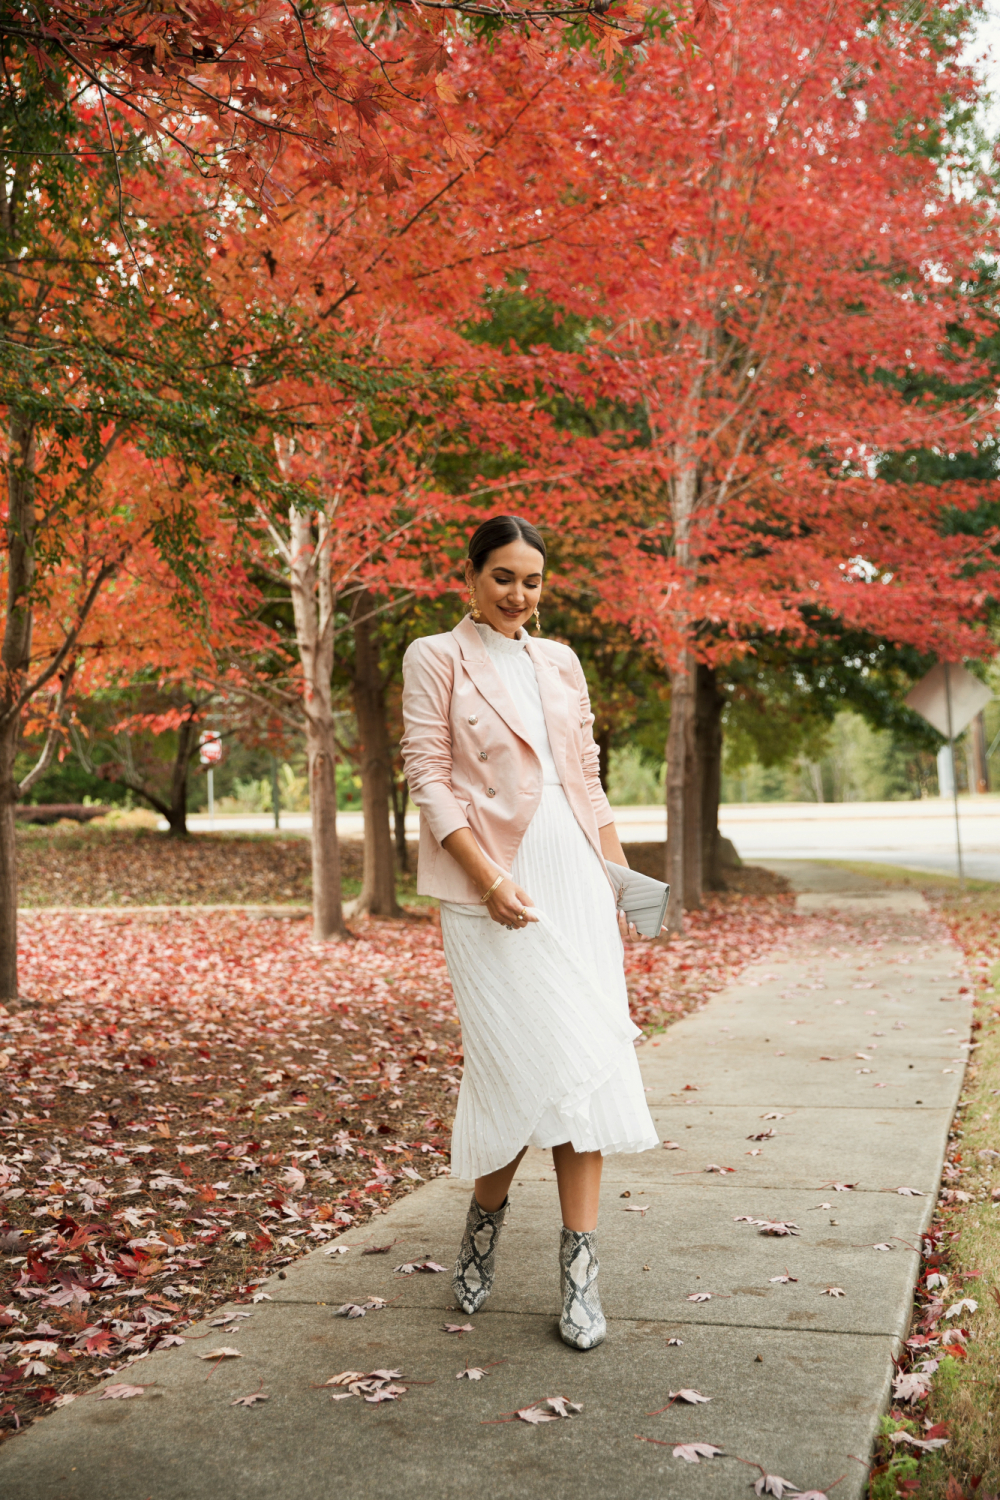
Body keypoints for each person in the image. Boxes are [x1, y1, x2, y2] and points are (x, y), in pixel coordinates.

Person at [400, 515, 659, 1351]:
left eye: (533, 581)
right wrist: (489, 879)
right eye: (503, 576)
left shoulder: (561, 661)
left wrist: (619, 879)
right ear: (471, 575)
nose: (519, 594)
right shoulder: (433, 656)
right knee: (516, 1065)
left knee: (583, 1067)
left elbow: (585, 777)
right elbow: (429, 779)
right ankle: (482, 1226)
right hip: (490, 886)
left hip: (576, 877)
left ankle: (580, 1274)